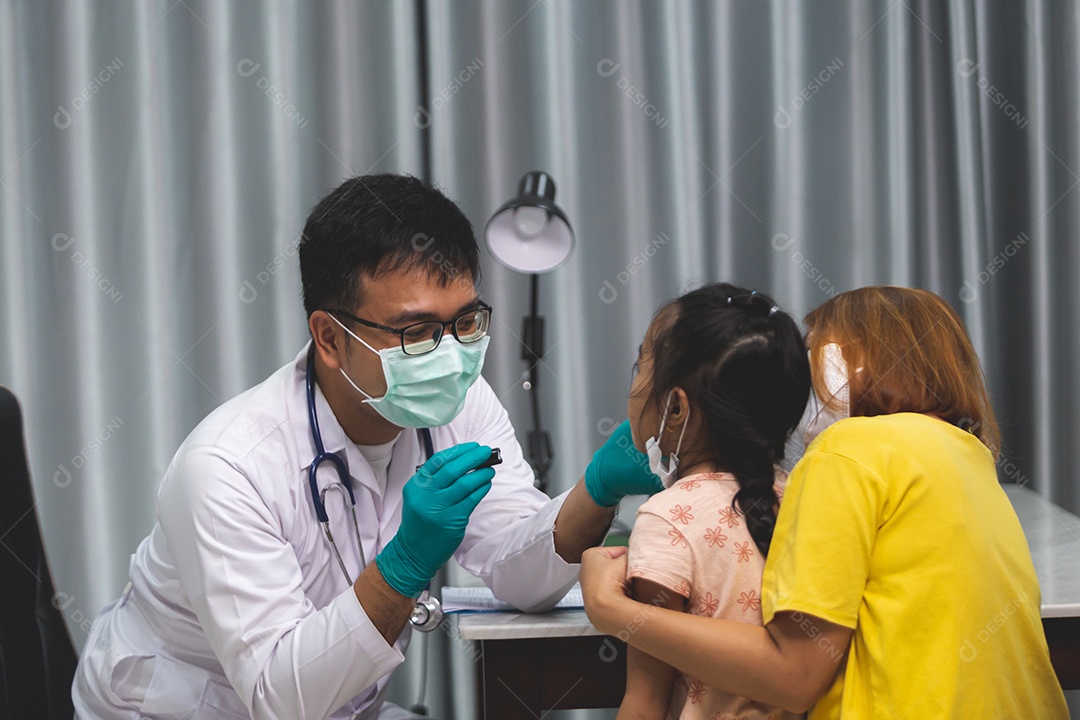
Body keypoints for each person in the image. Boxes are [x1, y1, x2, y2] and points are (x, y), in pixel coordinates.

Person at [73, 174, 661, 719]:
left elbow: (520, 577)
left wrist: (596, 491)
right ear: (330, 338)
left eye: (465, 323)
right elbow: (283, 696)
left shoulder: (461, 400)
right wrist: (403, 566)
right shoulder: (227, 468)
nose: (451, 356)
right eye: (417, 332)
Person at [581, 286, 1069, 719]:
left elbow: (795, 676)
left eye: (811, 363)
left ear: (841, 367)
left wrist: (612, 610)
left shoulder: (846, 452)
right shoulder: (968, 455)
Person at [617, 283, 809, 720]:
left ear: (677, 409)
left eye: (640, 366)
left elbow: (645, 701)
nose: (633, 386)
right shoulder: (807, 498)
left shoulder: (667, 522)